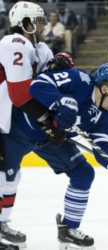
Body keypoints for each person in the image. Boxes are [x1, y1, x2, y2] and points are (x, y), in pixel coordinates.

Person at [2, 62, 108, 249]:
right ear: (104, 88)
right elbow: (38, 85)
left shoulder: (105, 117)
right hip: (19, 130)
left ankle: (68, 230)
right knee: (6, 178)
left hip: (52, 141)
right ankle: (1, 224)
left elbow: (103, 147)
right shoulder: (78, 80)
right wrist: (61, 102)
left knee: (83, 173)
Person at [0, 2, 63, 248]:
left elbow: (43, 85)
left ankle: (2, 225)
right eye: (38, 20)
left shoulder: (39, 47)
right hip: (4, 118)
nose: (43, 25)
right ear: (25, 23)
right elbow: (20, 93)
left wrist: (59, 67)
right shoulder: (13, 43)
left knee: (10, 177)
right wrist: (47, 122)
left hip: (7, 121)